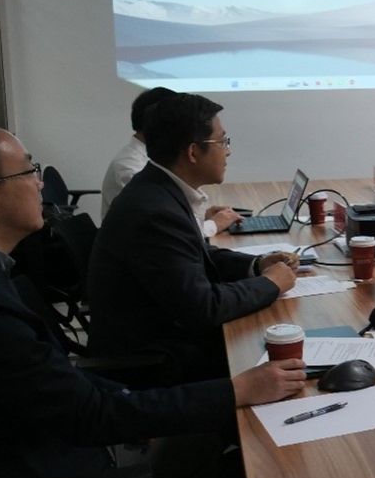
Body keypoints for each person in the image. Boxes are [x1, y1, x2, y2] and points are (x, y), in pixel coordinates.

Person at [0, 116, 306, 478]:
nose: (40, 184)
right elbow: (88, 415)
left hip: (57, 446)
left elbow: (57, 386)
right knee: (279, 471)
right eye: (28, 171)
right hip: (71, 475)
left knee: (235, 439)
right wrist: (237, 389)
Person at [89, 93, 297, 384]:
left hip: (170, 338)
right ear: (193, 152)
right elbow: (204, 308)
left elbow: (195, 254)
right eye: (222, 142)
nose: (228, 152)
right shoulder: (155, 211)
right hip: (159, 364)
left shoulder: (159, 189)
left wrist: (257, 265)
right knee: (287, 358)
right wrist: (271, 283)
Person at [100, 86, 242, 237]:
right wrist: (214, 224)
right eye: (221, 142)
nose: (228, 152)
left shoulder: (155, 164)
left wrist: (200, 217)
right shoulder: (129, 168)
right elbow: (166, 225)